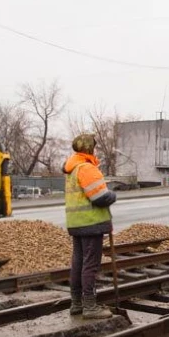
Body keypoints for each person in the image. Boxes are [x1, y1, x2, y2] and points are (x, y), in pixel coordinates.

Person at [62, 133, 117, 320]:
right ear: (89, 148)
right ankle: (90, 306)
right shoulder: (87, 168)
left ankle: (76, 303)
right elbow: (100, 198)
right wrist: (112, 195)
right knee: (90, 265)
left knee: (78, 263)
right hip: (91, 222)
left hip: (76, 223)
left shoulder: (72, 168)